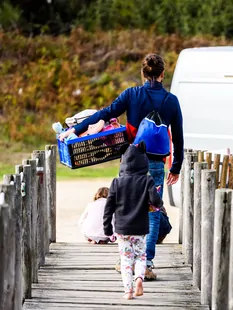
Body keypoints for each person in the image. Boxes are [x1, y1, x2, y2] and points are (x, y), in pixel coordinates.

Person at [59, 53, 184, 278]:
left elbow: (104, 114)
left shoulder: (132, 94)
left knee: (125, 207)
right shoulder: (172, 101)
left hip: (129, 163)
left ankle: (125, 258)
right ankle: (147, 263)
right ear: (163, 74)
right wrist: (176, 167)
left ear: (143, 74)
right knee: (154, 212)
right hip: (155, 163)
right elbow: (179, 136)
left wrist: (75, 130)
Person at [103, 141, 164, 300]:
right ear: (143, 161)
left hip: (123, 230)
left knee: (126, 260)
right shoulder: (147, 181)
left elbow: (108, 208)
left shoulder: (116, 182)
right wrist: (158, 203)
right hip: (141, 229)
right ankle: (139, 279)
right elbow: (156, 201)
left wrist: (107, 229)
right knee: (141, 257)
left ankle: (128, 291)